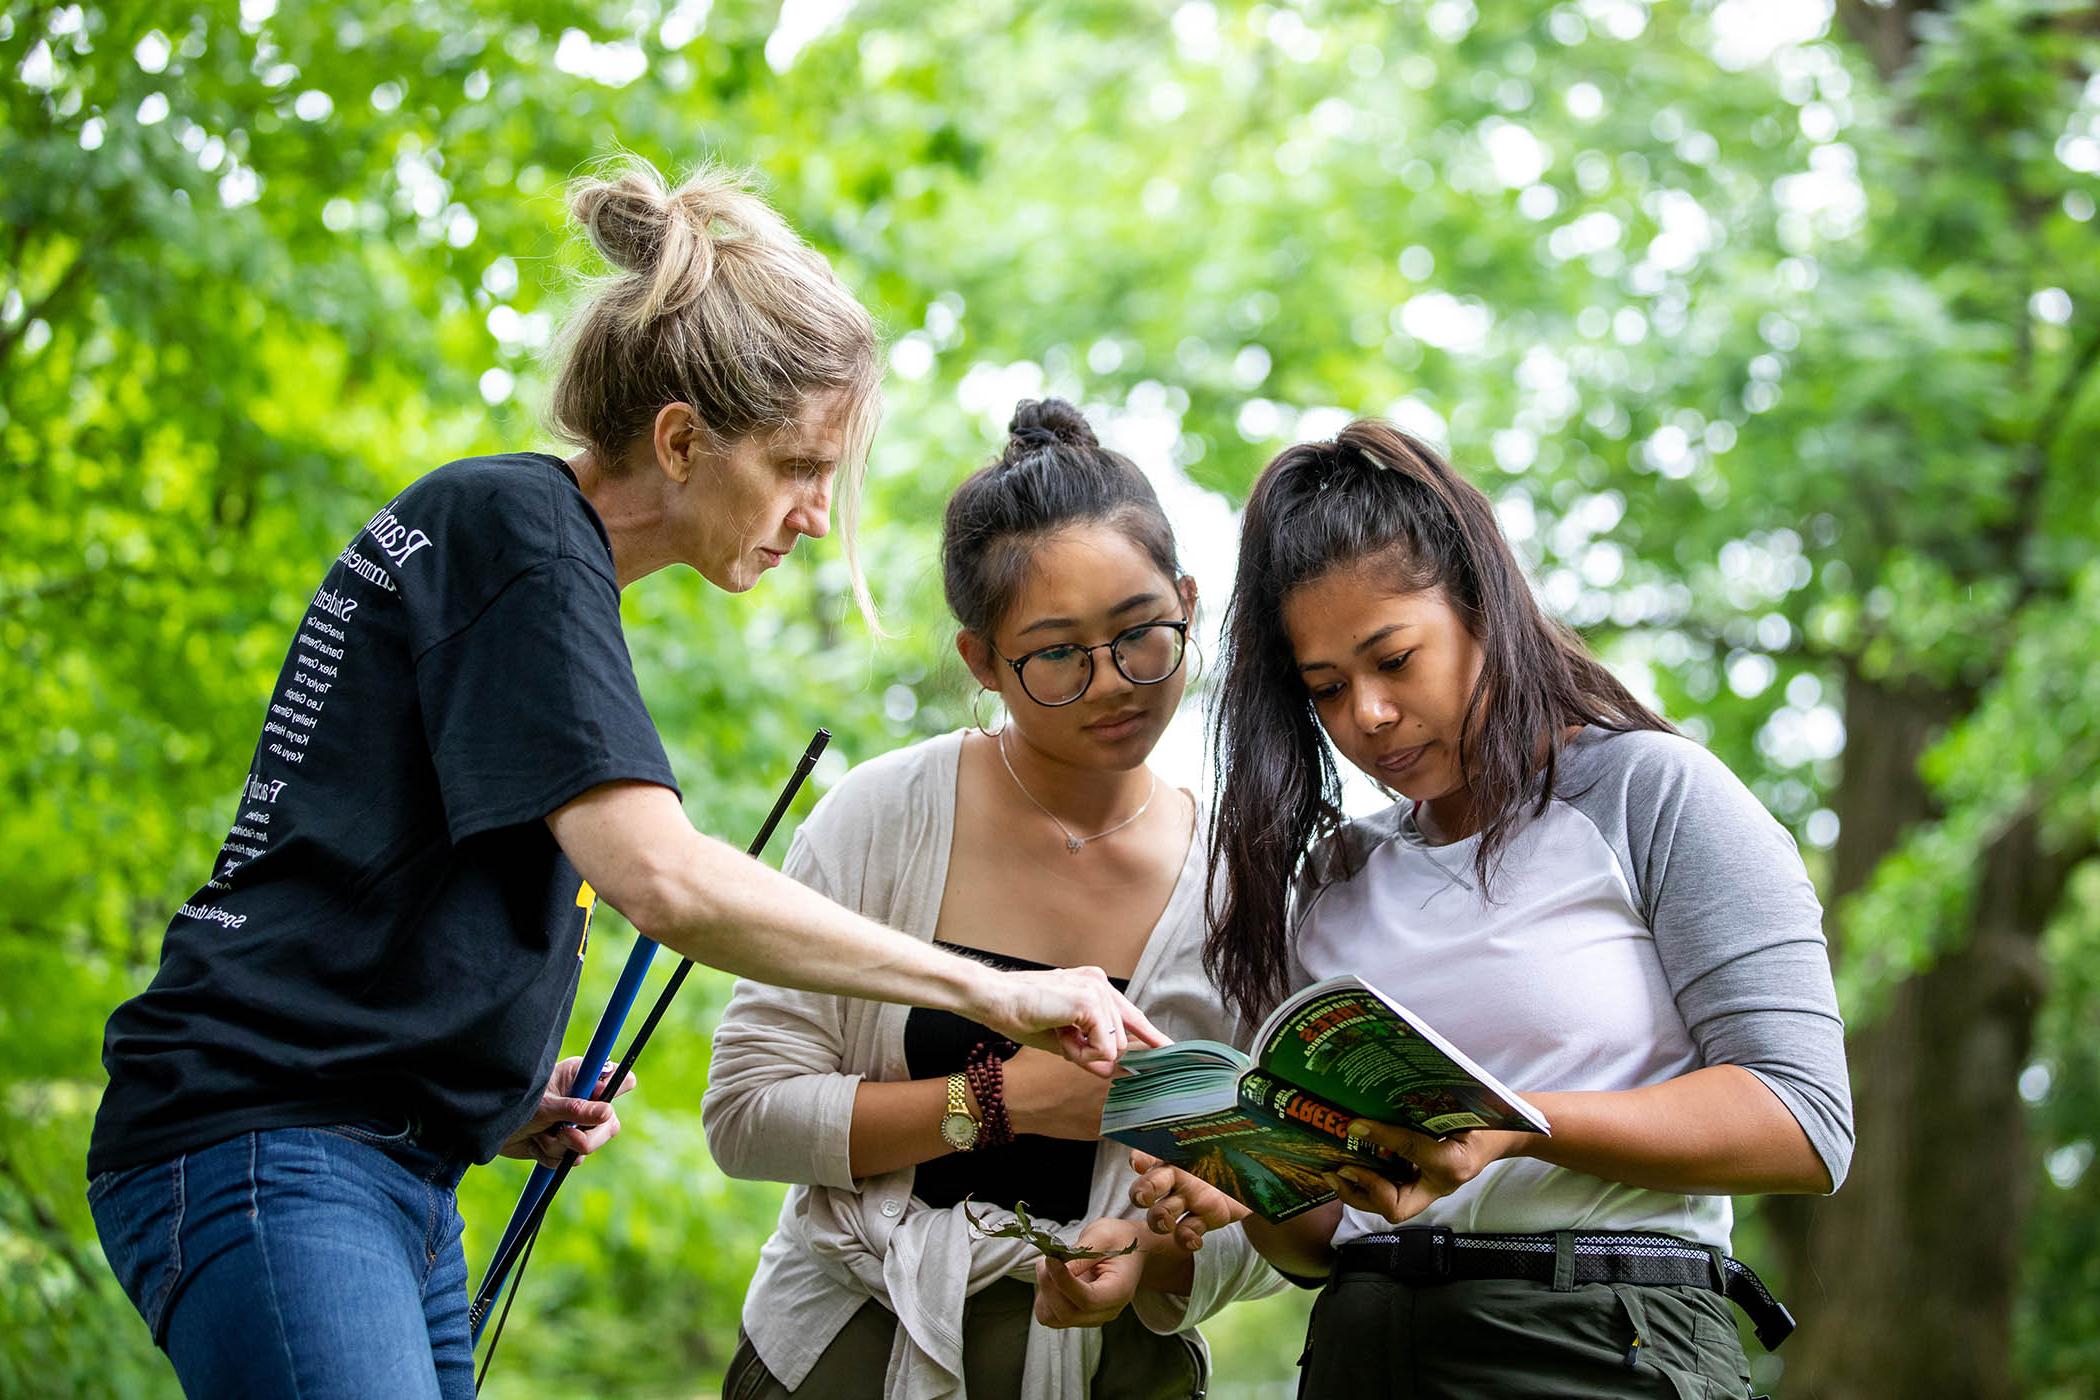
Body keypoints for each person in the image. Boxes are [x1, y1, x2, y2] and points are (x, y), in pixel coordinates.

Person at [84, 162, 1159, 1400]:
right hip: (267, 1141)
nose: (816, 516)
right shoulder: (520, 531)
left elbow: (371, 871)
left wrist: (487, 1090)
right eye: (800, 465)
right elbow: (662, 876)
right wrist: (997, 994)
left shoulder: (531, 566)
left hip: (389, 1161)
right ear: (683, 439)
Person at [1042, 421, 1854, 1397]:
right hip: (1364, 1350)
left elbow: (1805, 1121)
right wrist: (1233, 1182)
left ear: (1481, 608)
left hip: (1603, 1345)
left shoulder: (1650, 792)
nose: (1367, 716)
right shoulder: (1336, 872)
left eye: (1395, 659)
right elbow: (1312, 1244)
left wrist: (1518, 1125)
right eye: (1327, 689)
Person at [703, 399, 1281, 1400]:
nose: (1112, 683)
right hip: (837, 1350)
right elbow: (747, 1114)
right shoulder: (880, 816)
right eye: (1057, 653)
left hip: (1115, 1373)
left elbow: (1279, 1204)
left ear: (1188, 598)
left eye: (1143, 632)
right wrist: (1000, 1100)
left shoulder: (1244, 877)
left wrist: (1157, 1251)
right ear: (982, 660)